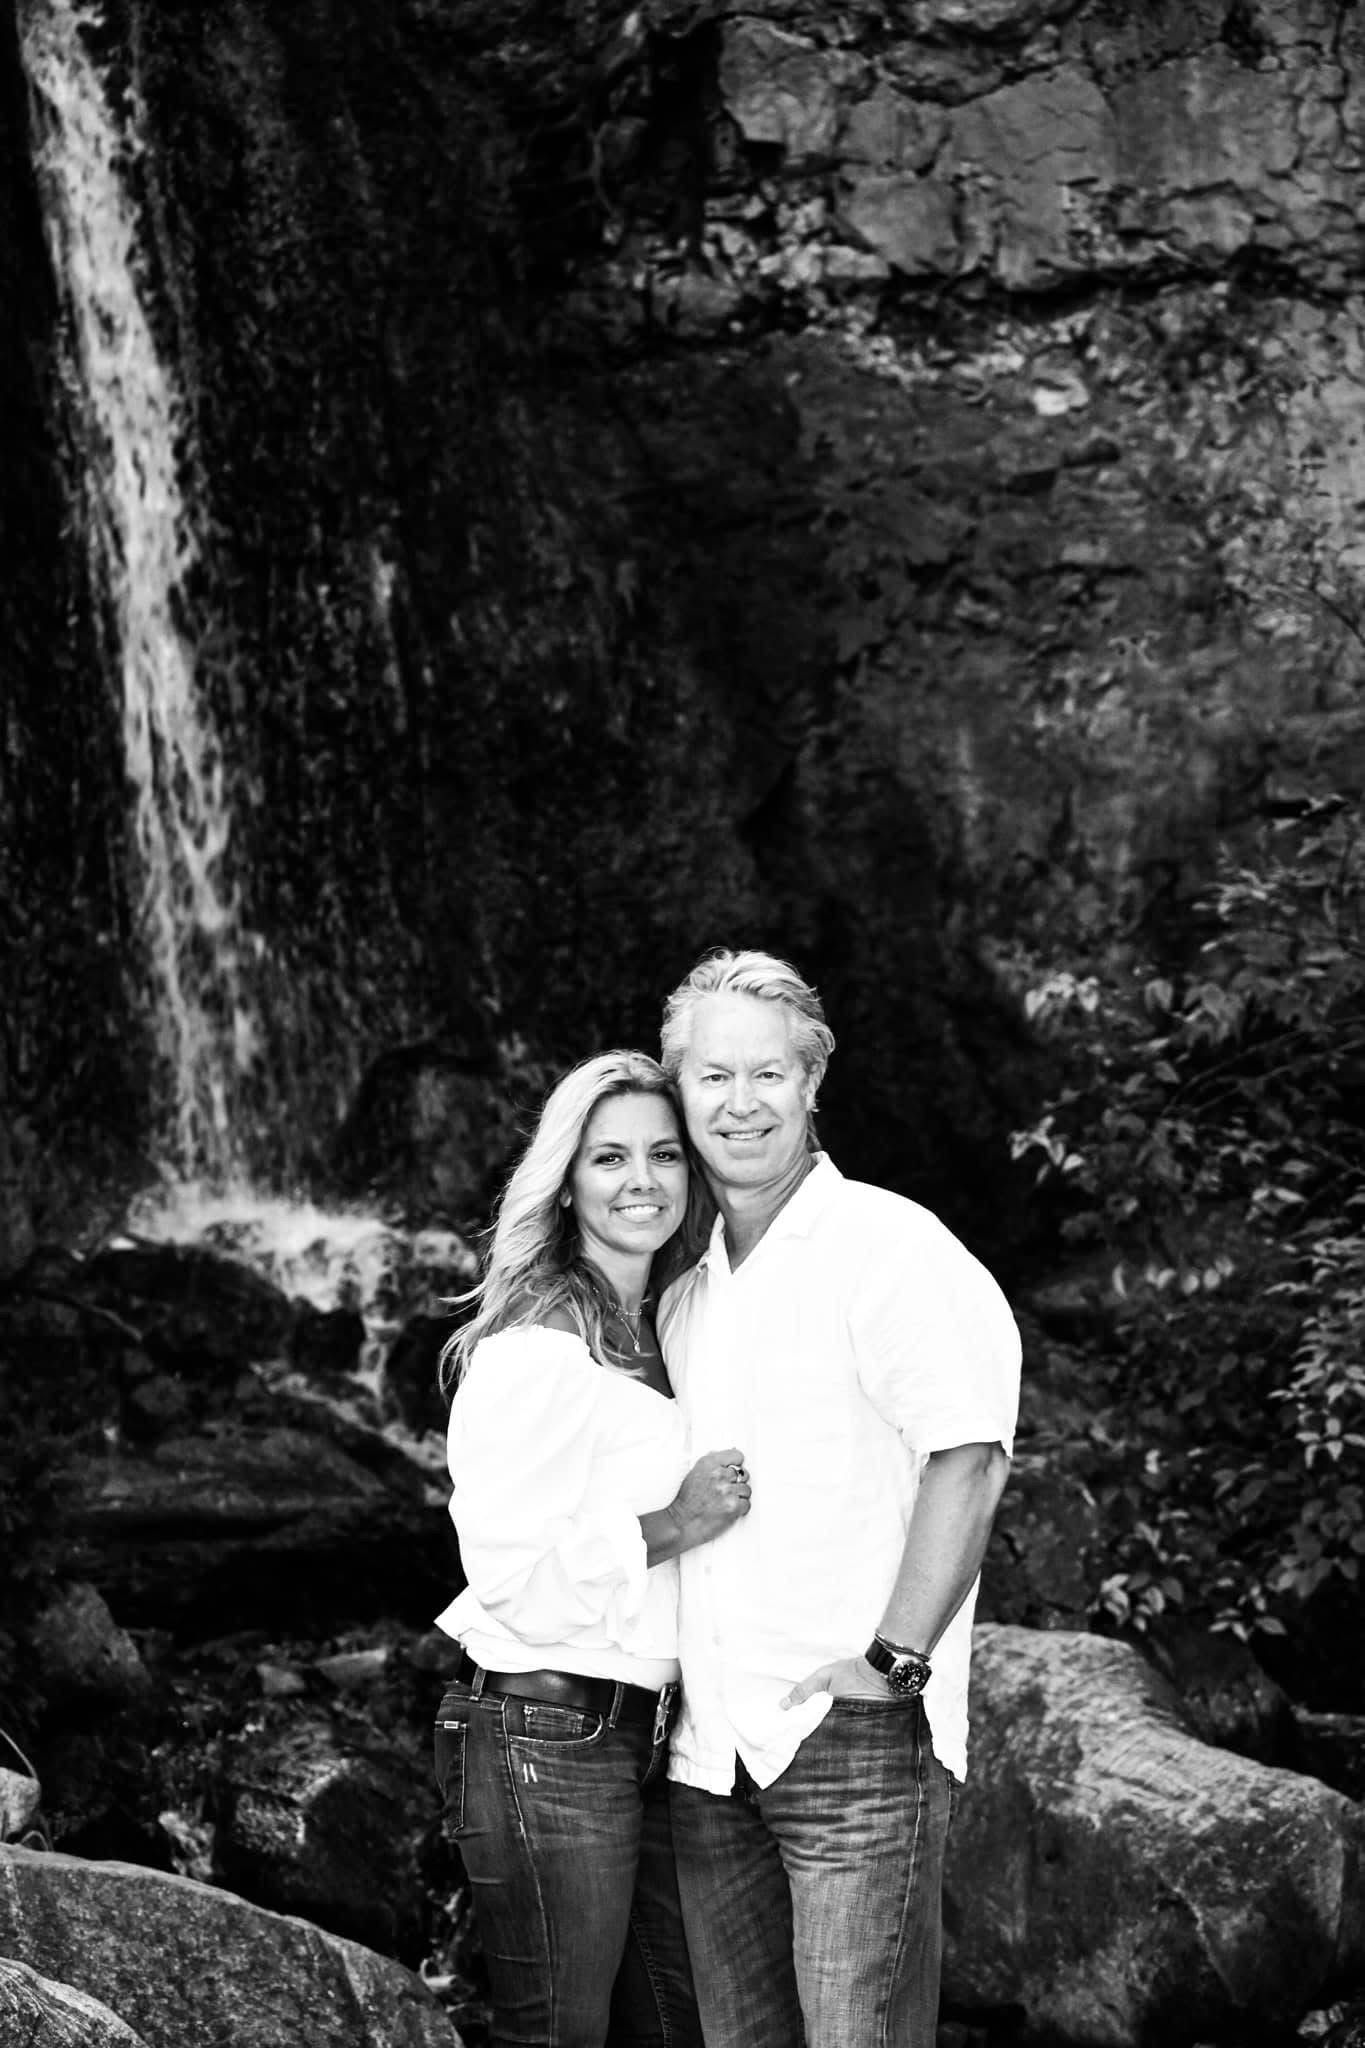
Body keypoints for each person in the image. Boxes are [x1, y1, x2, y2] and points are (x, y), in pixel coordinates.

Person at [656, 949, 1023, 2048]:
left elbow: (970, 1454)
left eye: (768, 1073)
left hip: (849, 1742)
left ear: (814, 1081)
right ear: (678, 1090)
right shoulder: (684, 1288)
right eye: (712, 1076)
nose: (741, 1102)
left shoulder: (888, 1246)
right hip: (709, 1758)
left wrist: (894, 1659)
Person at [431, 1048, 752, 2048]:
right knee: (556, 2033)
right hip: (543, 1730)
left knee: (676, 2026)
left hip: (649, 1737)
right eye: (610, 1157)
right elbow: (510, 1573)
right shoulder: (537, 1338)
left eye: (665, 1153)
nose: (641, 1179)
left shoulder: (668, 1323)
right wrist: (675, 1525)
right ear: (567, 1178)